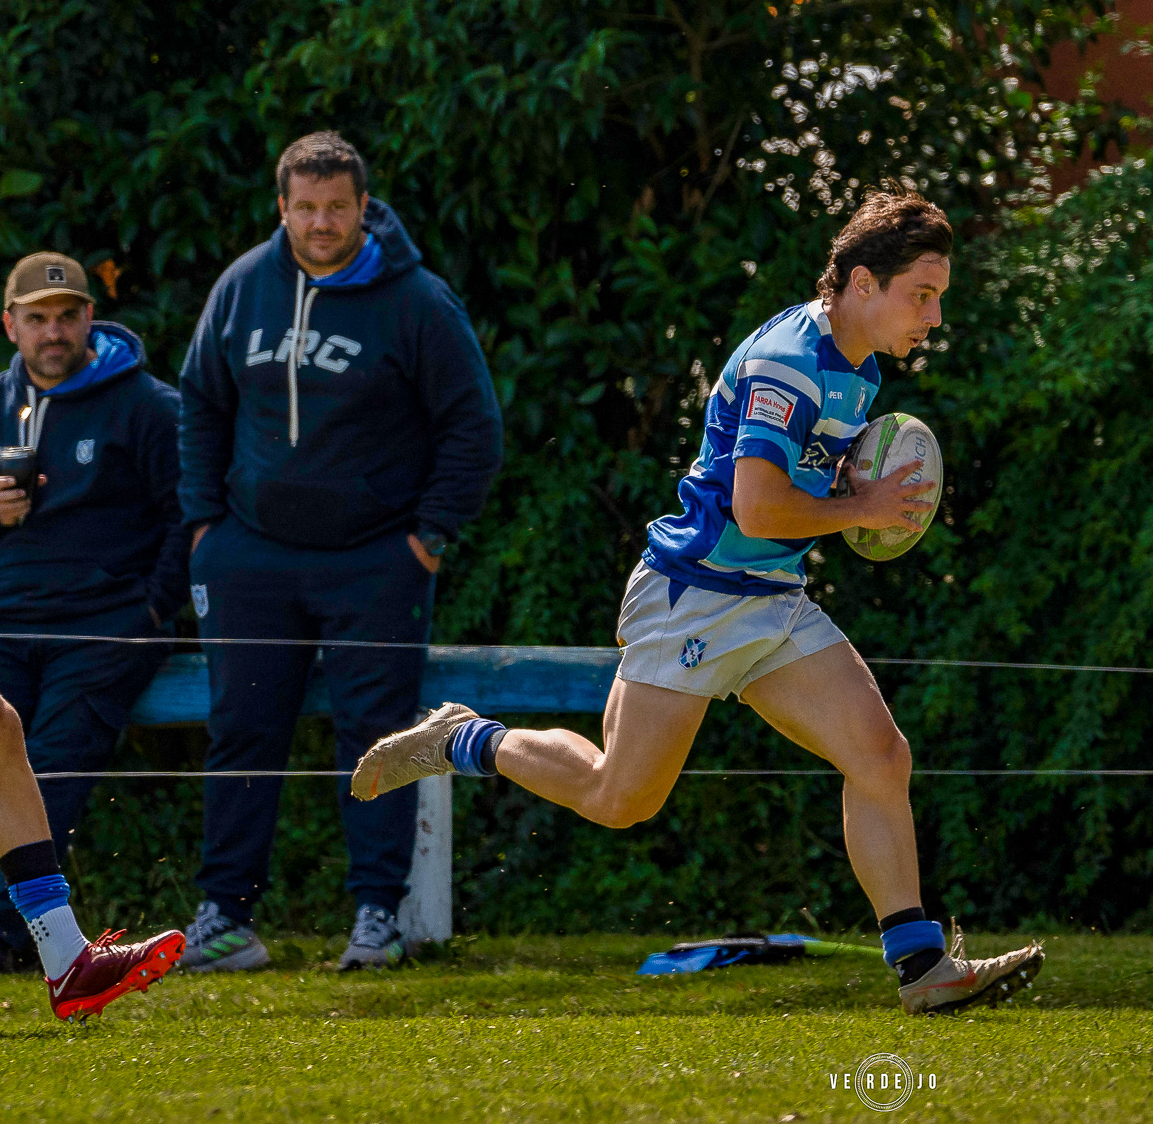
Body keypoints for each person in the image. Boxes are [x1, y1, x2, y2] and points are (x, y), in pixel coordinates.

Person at [354, 185, 1043, 1014]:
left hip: (771, 595)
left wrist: (854, 497)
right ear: (863, 283)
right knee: (620, 798)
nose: (933, 316)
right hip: (694, 597)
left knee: (881, 755)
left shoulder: (857, 364)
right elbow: (757, 507)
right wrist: (859, 509)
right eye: (921, 295)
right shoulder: (790, 361)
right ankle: (466, 738)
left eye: (939, 297)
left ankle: (920, 968)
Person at [178, 132, 503, 972]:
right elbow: (200, 406)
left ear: (364, 207)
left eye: (337, 207)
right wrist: (204, 529)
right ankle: (225, 921)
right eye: (306, 207)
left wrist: (425, 541)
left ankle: (376, 918)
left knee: (378, 739)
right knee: (242, 731)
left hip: (375, 561)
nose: (321, 223)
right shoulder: (243, 286)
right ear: (280, 206)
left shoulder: (418, 300)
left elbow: (473, 428)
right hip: (248, 555)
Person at [0, 253, 189, 973]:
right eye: (37, 318)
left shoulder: (148, 406)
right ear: (10, 325)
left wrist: (152, 610)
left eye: (67, 316)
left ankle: (5, 934)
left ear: (90, 319)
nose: (53, 332)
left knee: (53, 764)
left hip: (102, 627)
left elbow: (187, 517)